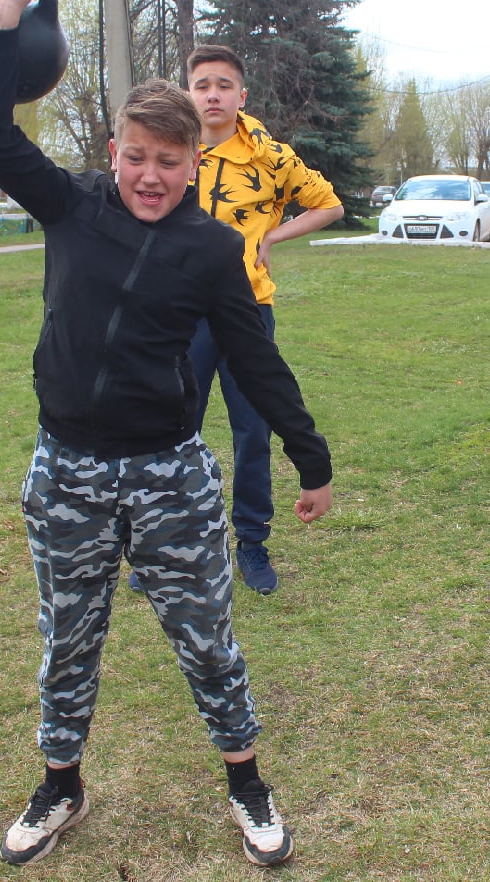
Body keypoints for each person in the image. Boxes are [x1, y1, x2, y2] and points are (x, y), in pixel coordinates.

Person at [0, 0, 333, 869]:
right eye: (137, 157)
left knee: (207, 642)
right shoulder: (70, 204)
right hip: (67, 471)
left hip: (170, 476)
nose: (150, 176)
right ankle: (60, 785)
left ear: (194, 163)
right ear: (115, 149)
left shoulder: (212, 250)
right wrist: (1, 27)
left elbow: (255, 359)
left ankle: (248, 785)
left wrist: (310, 456)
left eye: (170, 162)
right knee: (68, 641)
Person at [181, 44, 343, 595]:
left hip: (247, 308)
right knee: (175, 428)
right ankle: (171, 540)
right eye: (202, 85)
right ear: (188, 94)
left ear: (241, 95)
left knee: (252, 430)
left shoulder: (269, 156)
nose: (213, 95)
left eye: (224, 85)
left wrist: (273, 234)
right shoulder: (174, 148)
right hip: (180, 312)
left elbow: (329, 203)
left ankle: (252, 541)